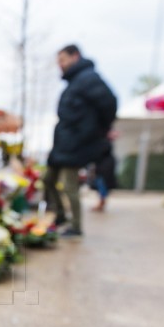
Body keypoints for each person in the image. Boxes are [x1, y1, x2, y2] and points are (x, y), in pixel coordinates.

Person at [45, 44, 117, 236]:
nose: (60, 65)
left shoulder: (88, 79)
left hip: (75, 143)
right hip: (64, 141)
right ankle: (60, 215)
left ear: (75, 56)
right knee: (48, 179)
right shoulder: (77, 81)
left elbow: (110, 103)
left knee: (69, 185)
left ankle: (76, 227)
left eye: (63, 60)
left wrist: (101, 130)